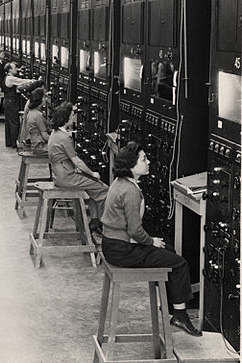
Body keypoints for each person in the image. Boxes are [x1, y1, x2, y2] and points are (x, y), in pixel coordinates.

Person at [101, 142, 202, 336]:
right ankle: (180, 316)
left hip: (112, 244)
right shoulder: (131, 192)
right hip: (121, 250)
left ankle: (171, 306)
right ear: (132, 166)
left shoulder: (120, 182)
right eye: (143, 159)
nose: (148, 162)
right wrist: (151, 241)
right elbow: (135, 231)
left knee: (168, 251)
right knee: (180, 263)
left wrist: (151, 240)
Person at [47, 102, 107, 235]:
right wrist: (92, 173)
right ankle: (105, 226)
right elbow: (77, 161)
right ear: (66, 118)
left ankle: (95, 222)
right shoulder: (65, 137)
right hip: (67, 177)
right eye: (72, 115)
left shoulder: (55, 133)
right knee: (103, 189)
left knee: (94, 188)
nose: (74, 118)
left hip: (59, 174)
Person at [4, 62, 35, 148]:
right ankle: (15, 143)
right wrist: (33, 81)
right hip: (11, 102)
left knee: (9, 123)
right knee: (14, 122)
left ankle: (9, 142)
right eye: (14, 68)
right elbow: (20, 81)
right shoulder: (10, 78)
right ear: (10, 70)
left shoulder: (9, 78)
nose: (16, 69)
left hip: (8, 102)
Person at [25, 87, 50, 155]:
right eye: (45, 97)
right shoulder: (38, 115)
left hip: (35, 145)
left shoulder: (31, 112)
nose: (46, 99)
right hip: (40, 147)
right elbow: (45, 137)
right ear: (40, 99)